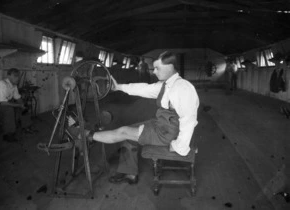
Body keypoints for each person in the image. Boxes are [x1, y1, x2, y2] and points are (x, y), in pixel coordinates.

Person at [68, 51, 200, 184]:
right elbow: (144, 89)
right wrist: (118, 87)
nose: (154, 72)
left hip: (167, 133)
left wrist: (179, 146)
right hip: (162, 126)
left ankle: (84, 135)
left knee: (124, 131)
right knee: (129, 132)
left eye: (157, 68)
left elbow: (188, 120)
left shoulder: (183, 88)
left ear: (169, 67)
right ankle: (129, 173)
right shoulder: (167, 85)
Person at [0, 68, 32, 142]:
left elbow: (17, 97)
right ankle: (8, 135)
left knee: (23, 107)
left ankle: (26, 127)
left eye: (18, 76)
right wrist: (19, 105)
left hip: (0, 102)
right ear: (8, 76)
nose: (17, 78)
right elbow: (3, 103)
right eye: (15, 76)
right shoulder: (2, 84)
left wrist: (22, 104)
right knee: (8, 109)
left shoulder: (14, 86)